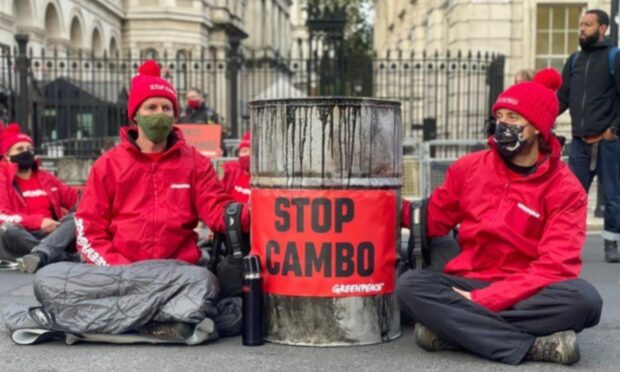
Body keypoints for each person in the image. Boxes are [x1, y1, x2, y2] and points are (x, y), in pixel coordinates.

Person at [397, 69, 602, 365]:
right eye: (500, 116)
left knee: (585, 301)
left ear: (536, 129)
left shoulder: (566, 189)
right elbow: (432, 220)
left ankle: (453, 333)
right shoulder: (468, 168)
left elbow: (554, 268)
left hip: (527, 289)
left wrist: (482, 302)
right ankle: (533, 346)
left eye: (513, 118)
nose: (502, 124)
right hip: (468, 281)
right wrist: (382, 202)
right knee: (409, 287)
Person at [75, 59, 249, 266]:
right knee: (50, 280)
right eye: (151, 107)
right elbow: (89, 228)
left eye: (166, 108)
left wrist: (251, 213)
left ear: (175, 115)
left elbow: (216, 208)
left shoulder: (194, 162)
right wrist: (118, 269)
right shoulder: (108, 165)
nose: (160, 114)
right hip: (121, 273)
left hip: (178, 272)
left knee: (207, 284)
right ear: (135, 116)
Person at [558, 9, 620, 263]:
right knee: (570, 195)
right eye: (581, 24)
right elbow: (561, 98)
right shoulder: (574, 61)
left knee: (613, 194)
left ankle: (612, 243)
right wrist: (536, 115)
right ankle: (565, 245)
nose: (581, 29)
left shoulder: (614, 58)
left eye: (588, 24)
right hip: (580, 142)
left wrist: (614, 130)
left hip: (608, 141)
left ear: (603, 28)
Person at [0, 123, 80, 273]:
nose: (26, 152)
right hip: (22, 233)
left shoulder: (45, 177)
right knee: (7, 229)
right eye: (19, 149)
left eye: (29, 149)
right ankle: (62, 256)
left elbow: (74, 198)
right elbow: (2, 215)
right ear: (6, 155)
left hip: (53, 232)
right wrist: (38, 221)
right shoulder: (2, 178)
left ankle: (40, 255)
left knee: (77, 217)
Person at [220, 132, 251, 204]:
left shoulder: (264, 182)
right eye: (244, 151)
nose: (248, 154)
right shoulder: (231, 174)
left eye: (252, 151)